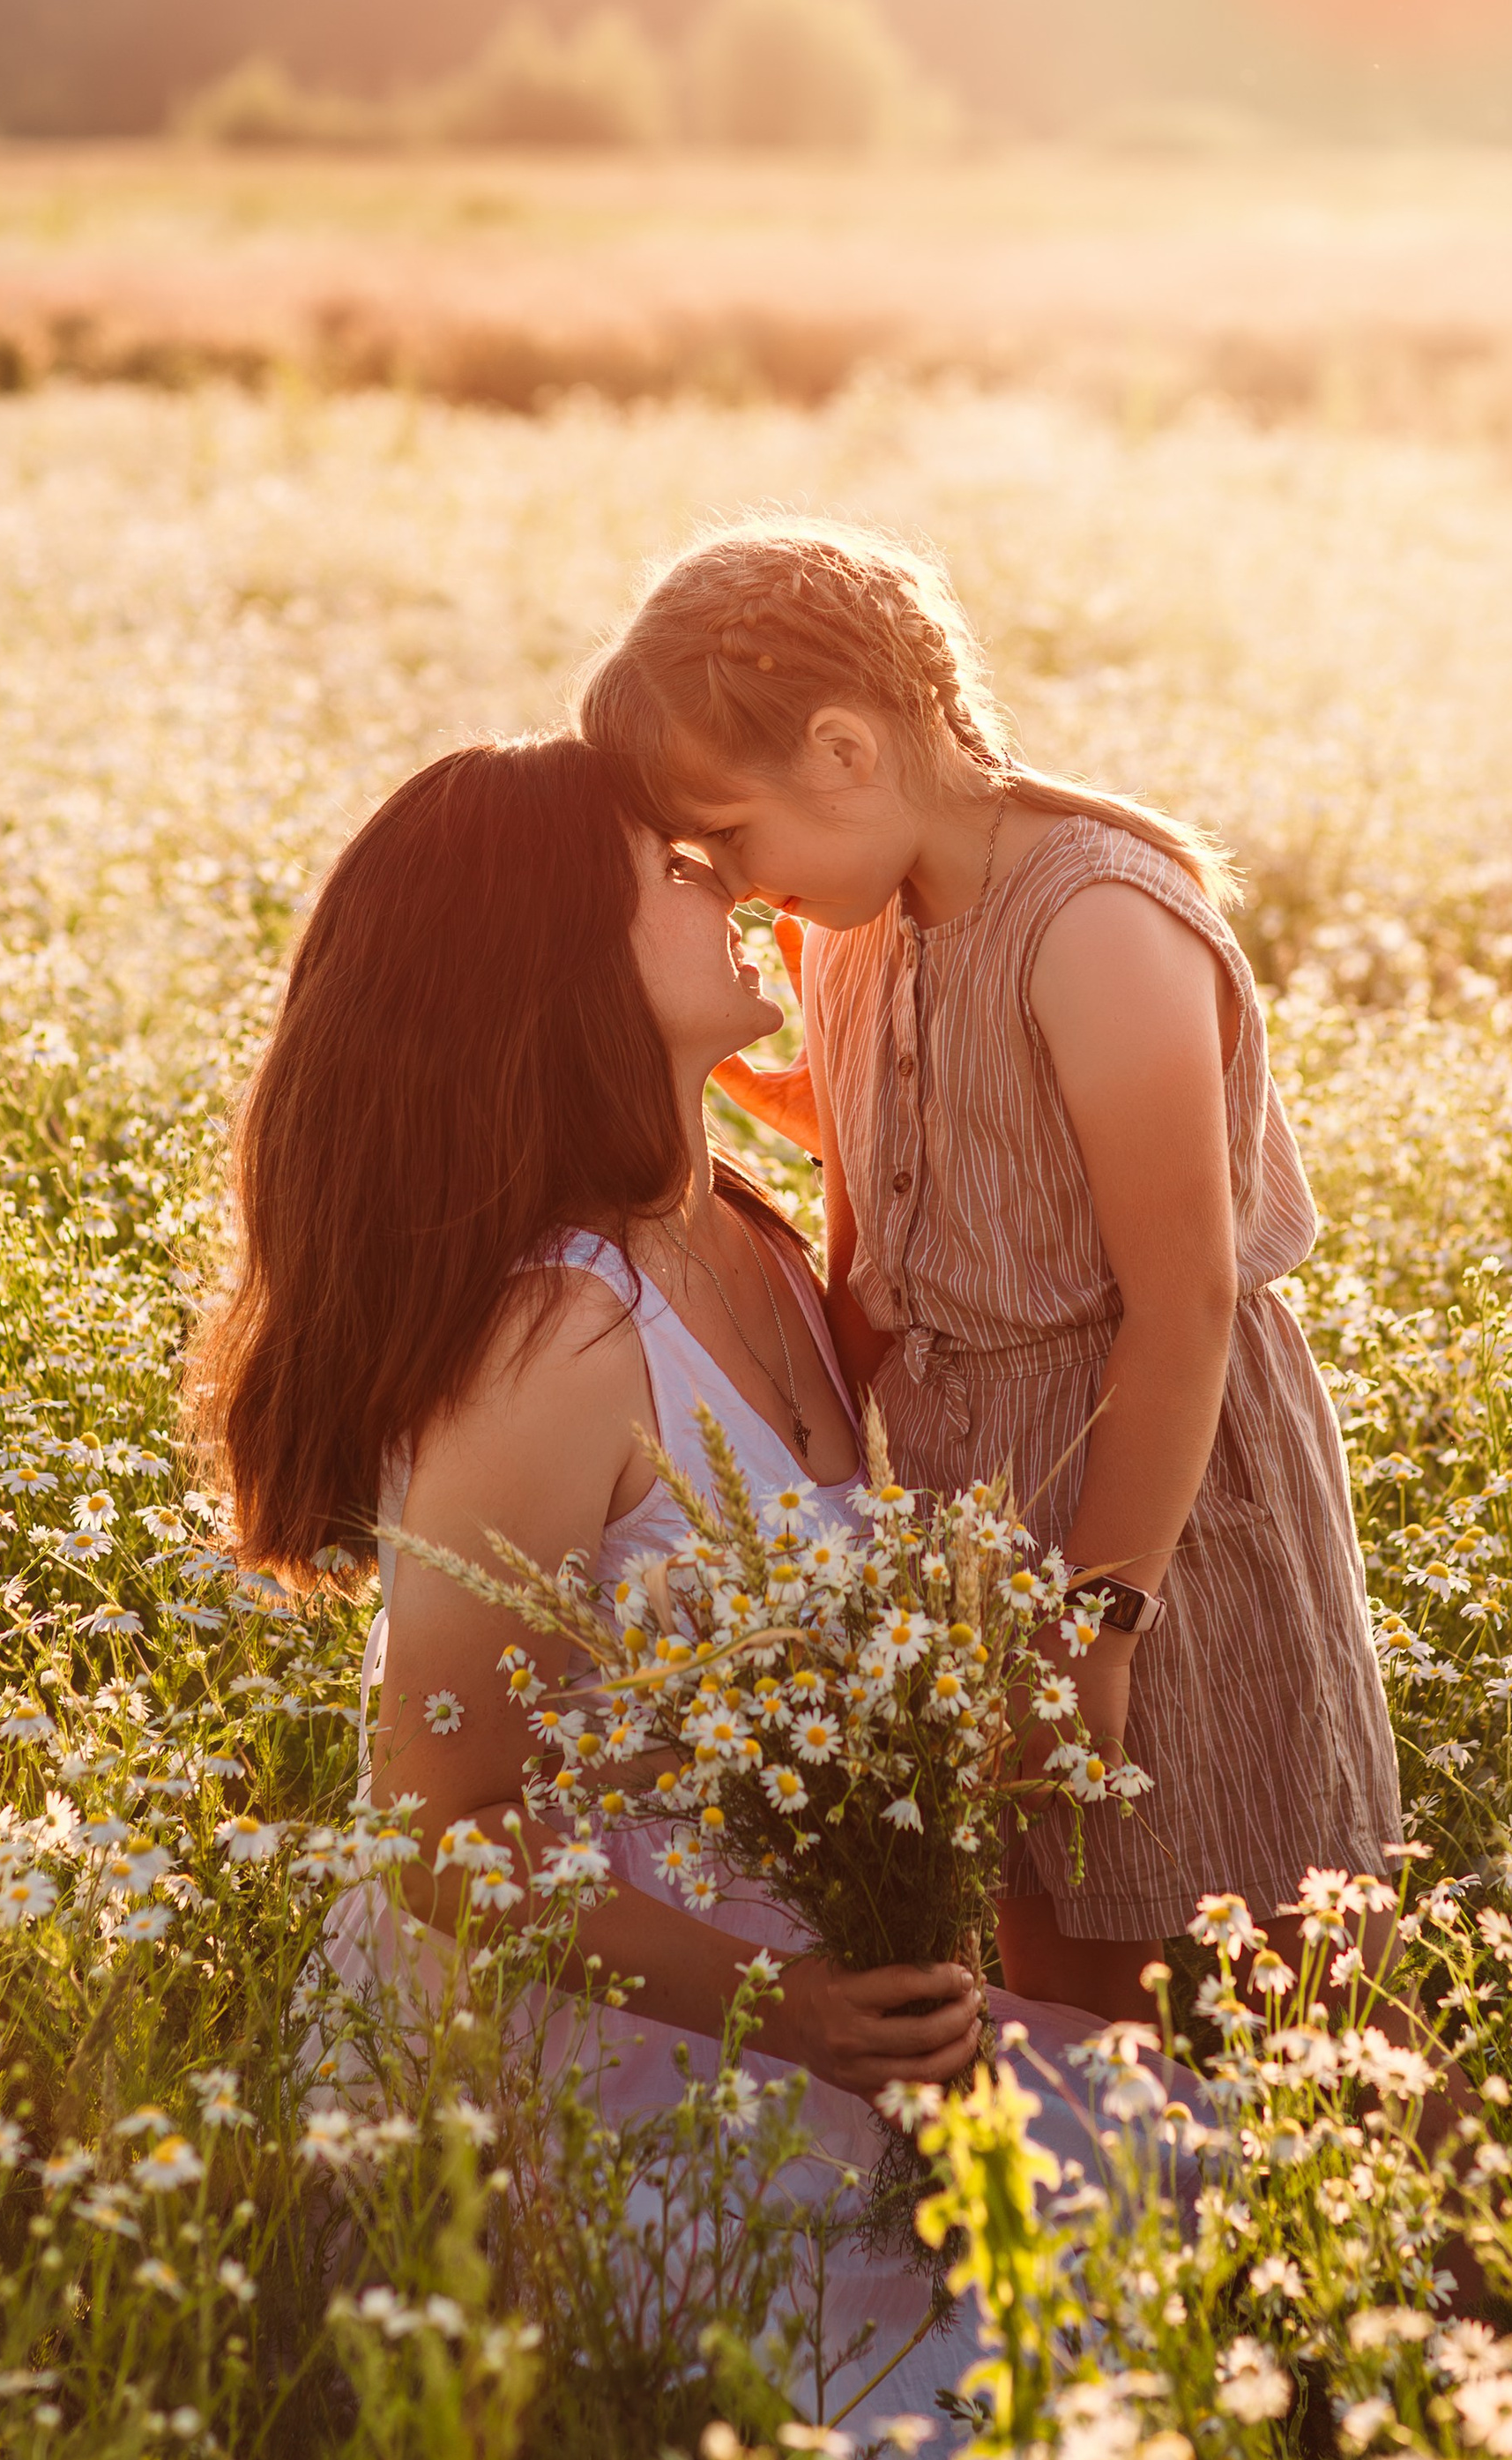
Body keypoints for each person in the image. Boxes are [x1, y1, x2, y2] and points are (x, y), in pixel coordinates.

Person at [187, 734, 1208, 2460]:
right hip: (630, 2043)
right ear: (549, 960)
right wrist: (793, 2006)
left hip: (834, 2004)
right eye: (669, 867)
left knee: (1267, 2202)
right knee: (1005, 2454)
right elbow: (437, 1833)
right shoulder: (549, 1341)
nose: (724, 878)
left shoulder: (739, 1234)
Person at [577, 520, 1408, 2026]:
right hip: (976, 1510)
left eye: (735, 836)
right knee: (1075, 1994)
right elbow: (935, 1141)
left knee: (1277, 1989)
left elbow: (1185, 1302)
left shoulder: (1094, 922)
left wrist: (1100, 1617)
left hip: (1160, 1510)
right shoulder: (855, 924)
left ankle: (1439, 2264)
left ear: (845, 749)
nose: (739, 885)